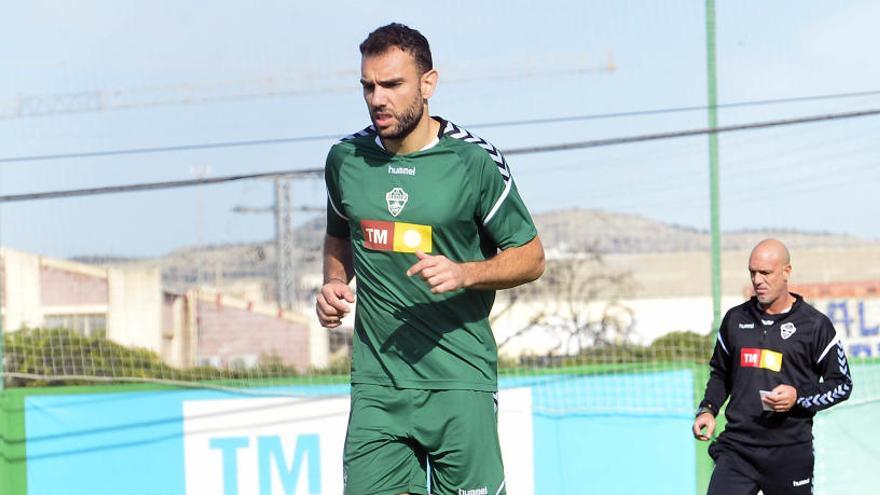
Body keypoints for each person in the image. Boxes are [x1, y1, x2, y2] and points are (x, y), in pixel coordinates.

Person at [316, 23, 544, 495]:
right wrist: (333, 283)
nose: (378, 98)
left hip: (459, 381)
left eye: (392, 85)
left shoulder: (473, 161)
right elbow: (340, 232)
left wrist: (466, 273)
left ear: (428, 83)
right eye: (368, 86)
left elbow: (531, 256)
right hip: (378, 386)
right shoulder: (346, 160)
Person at [693, 239, 853, 494]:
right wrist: (708, 409)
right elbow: (720, 373)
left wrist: (797, 396)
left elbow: (842, 384)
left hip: (789, 451)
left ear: (786, 272)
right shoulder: (735, 319)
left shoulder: (814, 325)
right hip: (738, 449)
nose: (758, 280)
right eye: (752, 272)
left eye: (765, 273)